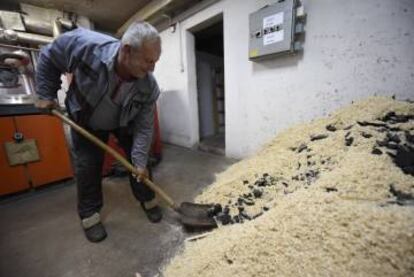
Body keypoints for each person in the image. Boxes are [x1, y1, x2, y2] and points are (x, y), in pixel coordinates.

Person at [35, 21, 162, 243]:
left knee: (141, 163)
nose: (152, 68)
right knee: (87, 167)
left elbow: (144, 127)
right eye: (148, 61)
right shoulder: (84, 44)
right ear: (126, 50)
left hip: (124, 121)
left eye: (155, 61)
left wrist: (139, 162)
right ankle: (90, 217)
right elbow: (49, 57)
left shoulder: (148, 86)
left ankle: (148, 199)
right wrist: (46, 93)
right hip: (86, 118)